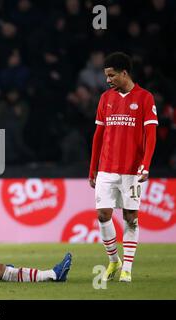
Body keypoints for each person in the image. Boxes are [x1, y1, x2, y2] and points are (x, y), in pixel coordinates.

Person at [89, 52, 158, 283]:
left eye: (111, 75)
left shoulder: (145, 98)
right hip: (107, 168)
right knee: (103, 215)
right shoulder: (105, 98)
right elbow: (98, 136)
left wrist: (145, 165)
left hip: (132, 171)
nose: (108, 80)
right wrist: (93, 169)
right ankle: (113, 261)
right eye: (106, 76)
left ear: (124, 73)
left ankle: (127, 267)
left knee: (130, 217)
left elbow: (151, 135)